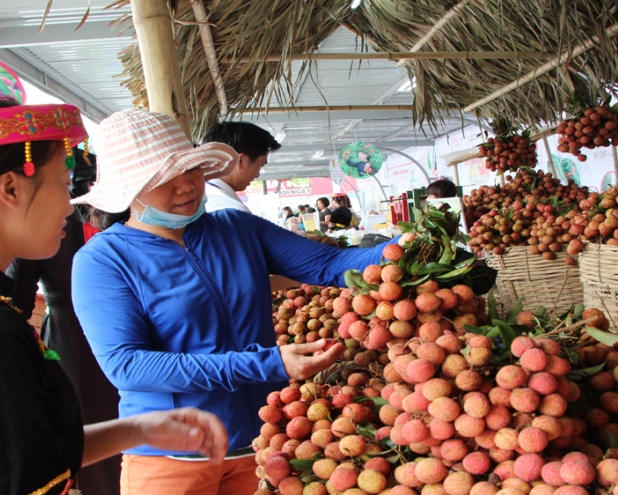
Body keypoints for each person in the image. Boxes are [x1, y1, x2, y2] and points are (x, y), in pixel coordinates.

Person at [0, 98, 228, 495]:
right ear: (11, 188)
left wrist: (136, 429)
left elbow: (12, 451)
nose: (69, 207)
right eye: (64, 185)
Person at [69, 108, 397, 495]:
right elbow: (128, 366)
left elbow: (329, 264)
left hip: (262, 450)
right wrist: (269, 363)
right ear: (129, 190)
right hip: (169, 459)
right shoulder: (104, 260)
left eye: (190, 169)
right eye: (163, 178)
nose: (186, 186)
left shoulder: (237, 228)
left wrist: (405, 252)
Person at [7, 148, 122, 495]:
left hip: (75, 340)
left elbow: (18, 298)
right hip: (118, 333)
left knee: (93, 422)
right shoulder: (126, 211)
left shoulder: (50, 220)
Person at [200, 122, 281, 213]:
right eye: (261, 164)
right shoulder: (232, 211)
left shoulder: (202, 198)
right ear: (240, 160)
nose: (257, 175)